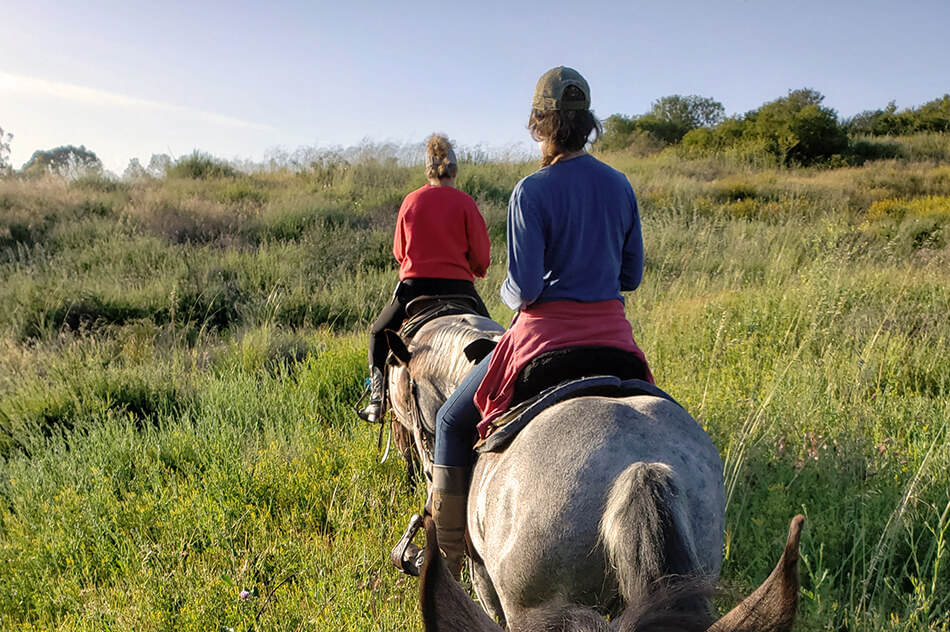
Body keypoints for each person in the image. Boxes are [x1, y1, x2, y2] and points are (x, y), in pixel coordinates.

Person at [430, 66, 653, 578]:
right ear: (588, 124)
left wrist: (507, 291)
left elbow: (525, 289)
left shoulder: (531, 191)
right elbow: (632, 275)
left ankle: (444, 558)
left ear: (539, 125)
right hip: (616, 340)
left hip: (544, 338)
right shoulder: (620, 186)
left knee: (450, 420)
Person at [357, 134, 491, 424]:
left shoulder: (412, 201)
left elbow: (399, 252)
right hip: (461, 290)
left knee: (379, 333)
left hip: (415, 289)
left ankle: (377, 399)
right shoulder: (466, 203)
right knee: (494, 339)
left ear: (428, 170)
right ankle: (498, 398)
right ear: (455, 169)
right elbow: (481, 260)